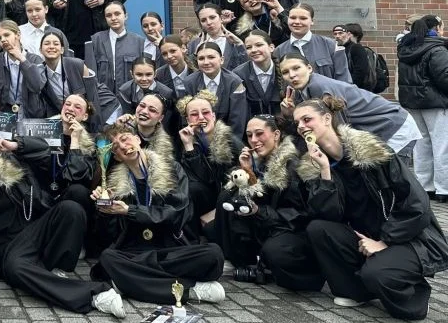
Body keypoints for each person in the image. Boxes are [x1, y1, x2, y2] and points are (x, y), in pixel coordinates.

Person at [295, 97, 448, 320]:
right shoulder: (318, 163)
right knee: (318, 228)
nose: (301, 126)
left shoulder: (373, 153)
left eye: (307, 119)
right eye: (297, 123)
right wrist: (325, 172)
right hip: (366, 237)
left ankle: (414, 295)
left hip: (408, 238)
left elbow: (417, 205)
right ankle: (357, 292)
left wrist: (384, 242)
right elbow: (329, 215)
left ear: (327, 118)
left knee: (377, 274)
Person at [0, 135, 124, 316]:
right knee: (16, 268)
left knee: (71, 209)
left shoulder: (11, 163)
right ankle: (95, 295)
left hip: (30, 233)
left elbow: (44, 149)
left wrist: (15, 145)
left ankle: (56, 270)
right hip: (2, 252)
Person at [90, 126, 226, 308]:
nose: (123, 146)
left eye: (125, 138)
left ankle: (127, 283)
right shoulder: (115, 186)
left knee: (213, 254)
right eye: (116, 147)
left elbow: (177, 214)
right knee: (107, 259)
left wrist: (130, 210)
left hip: (170, 250)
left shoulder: (171, 169)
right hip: (135, 253)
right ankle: (190, 289)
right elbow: (107, 236)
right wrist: (105, 210)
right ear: (117, 157)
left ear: (138, 139)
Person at [215, 116, 323, 290]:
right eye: (249, 135)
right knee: (226, 198)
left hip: (291, 231)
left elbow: (296, 216)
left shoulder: (292, 165)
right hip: (266, 224)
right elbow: (252, 197)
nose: (253, 140)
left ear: (276, 135)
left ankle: (267, 267)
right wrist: (248, 172)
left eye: (259, 134)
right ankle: (243, 260)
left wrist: (258, 211)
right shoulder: (259, 160)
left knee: (274, 252)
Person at [278, 53, 421, 154]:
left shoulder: (319, 87)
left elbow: (338, 130)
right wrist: (290, 114)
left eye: (296, 68)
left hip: (393, 126)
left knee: (395, 180)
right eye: (285, 72)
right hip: (379, 129)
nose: (292, 75)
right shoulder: (302, 91)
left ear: (309, 68)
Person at [0, 94, 97, 219]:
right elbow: (28, 147)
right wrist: (14, 145)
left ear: (85, 116)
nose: (70, 108)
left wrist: (75, 141)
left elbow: (77, 177)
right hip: (38, 194)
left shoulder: (89, 147)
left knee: (78, 191)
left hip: (67, 198)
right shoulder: (41, 128)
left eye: (77, 107)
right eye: (67, 104)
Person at [396, 15, 448, 200]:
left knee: (421, 145)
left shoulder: (406, 47)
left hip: (413, 103)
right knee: (442, 145)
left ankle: (425, 186)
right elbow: (444, 77)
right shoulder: (437, 49)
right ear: (437, 28)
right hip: (435, 103)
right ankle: (444, 188)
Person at [177, 92, 239, 239]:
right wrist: (189, 147)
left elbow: (237, 184)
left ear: (213, 116)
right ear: (187, 120)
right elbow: (199, 179)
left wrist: (218, 210)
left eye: (205, 112)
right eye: (194, 114)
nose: (201, 117)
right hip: (204, 199)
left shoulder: (230, 142)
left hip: (228, 199)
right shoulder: (185, 140)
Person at [183, 43, 248, 139]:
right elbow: (187, 118)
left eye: (211, 57)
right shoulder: (189, 83)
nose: (206, 62)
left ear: (221, 60)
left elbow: (237, 121)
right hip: (198, 137)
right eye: (201, 58)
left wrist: (227, 144)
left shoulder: (235, 82)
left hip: (228, 139)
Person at [273, 4, 352, 83]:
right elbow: (278, 83)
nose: (297, 22)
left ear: (312, 21)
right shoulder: (279, 51)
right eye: (293, 18)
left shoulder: (331, 45)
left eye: (303, 18)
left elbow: (344, 80)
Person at [38, 32, 103, 124]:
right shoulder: (39, 73)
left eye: (56, 44)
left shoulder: (78, 65)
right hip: (63, 120)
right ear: (40, 50)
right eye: (47, 43)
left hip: (89, 117)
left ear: (62, 50)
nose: (51, 47)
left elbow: (93, 98)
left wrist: (94, 128)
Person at [0, 20, 47, 118]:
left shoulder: (35, 59)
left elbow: (37, 86)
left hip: (30, 114)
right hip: (4, 113)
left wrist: (22, 60)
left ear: (18, 35)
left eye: (6, 35)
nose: (3, 40)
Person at [90, 1, 148, 96]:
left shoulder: (139, 42)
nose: (113, 18)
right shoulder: (96, 40)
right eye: (109, 15)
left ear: (125, 16)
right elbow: (90, 72)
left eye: (117, 14)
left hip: (131, 96)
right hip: (103, 96)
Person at [233, 29, 282, 118]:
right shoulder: (238, 74)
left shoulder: (285, 70)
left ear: (271, 47)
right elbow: (238, 110)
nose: (253, 50)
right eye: (248, 47)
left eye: (259, 45)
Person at [114, 56, 175, 127]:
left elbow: (166, 122)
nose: (144, 79)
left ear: (155, 74)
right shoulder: (125, 90)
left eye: (148, 74)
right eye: (139, 75)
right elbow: (127, 116)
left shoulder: (166, 92)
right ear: (132, 74)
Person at [188, 5, 248, 71]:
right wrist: (196, 54)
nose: (209, 22)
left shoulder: (235, 41)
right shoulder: (194, 44)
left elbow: (246, 67)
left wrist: (240, 46)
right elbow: (191, 71)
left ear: (221, 18)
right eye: (203, 20)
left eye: (212, 17)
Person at [334, 23, 376, 92]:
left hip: (355, 89)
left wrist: (351, 87)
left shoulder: (356, 48)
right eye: (335, 34)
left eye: (341, 33)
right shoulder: (342, 48)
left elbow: (361, 70)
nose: (338, 36)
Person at [156, 35, 195, 100]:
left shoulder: (196, 72)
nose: (169, 56)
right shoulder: (159, 75)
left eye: (173, 51)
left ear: (183, 48)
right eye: (164, 54)